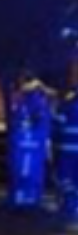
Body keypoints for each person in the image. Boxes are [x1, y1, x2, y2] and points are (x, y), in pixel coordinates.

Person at [7, 72, 54, 210]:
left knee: (25, 174)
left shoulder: (30, 100)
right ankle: (27, 199)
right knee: (27, 174)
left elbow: (39, 122)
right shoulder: (34, 100)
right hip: (29, 146)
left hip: (26, 145)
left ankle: (23, 199)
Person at [56, 84, 78, 222]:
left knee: (66, 179)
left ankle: (68, 207)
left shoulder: (67, 106)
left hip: (67, 150)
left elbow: (58, 124)